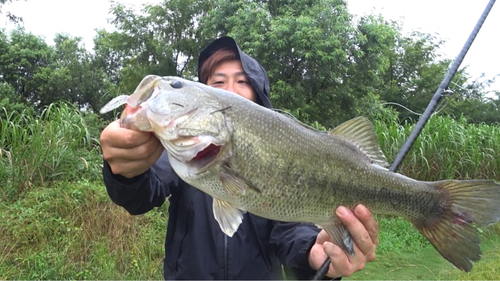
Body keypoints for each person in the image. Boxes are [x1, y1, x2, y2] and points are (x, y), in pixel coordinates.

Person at [100, 36, 379, 280]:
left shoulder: (284, 154)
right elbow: (143, 195)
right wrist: (126, 171)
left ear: (258, 99)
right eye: (218, 82)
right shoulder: (180, 152)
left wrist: (314, 253)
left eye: (242, 82)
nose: (229, 90)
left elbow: (291, 232)